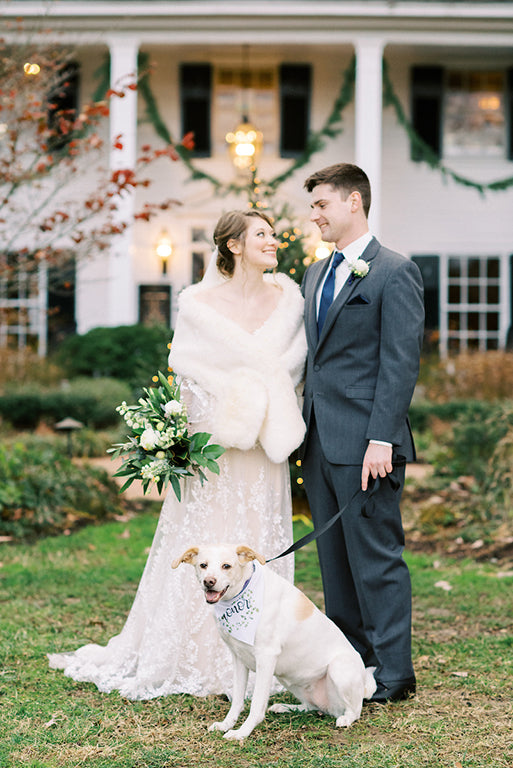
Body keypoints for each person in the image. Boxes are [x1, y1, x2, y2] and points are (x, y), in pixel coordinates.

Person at [48, 209, 307, 698]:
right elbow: (187, 377)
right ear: (233, 245)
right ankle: (199, 656)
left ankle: (261, 654)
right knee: (205, 545)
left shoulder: (290, 301)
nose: (275, 242)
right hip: (216, 454)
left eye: (274, 235)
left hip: (265, 454)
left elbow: (294, 375)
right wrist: (203, 432)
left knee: (257, 545)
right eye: (262, 235)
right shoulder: (200, 305)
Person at [300, 163, 424, 703]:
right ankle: (354, 665)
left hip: (369, 446)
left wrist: (381, 439)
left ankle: (395, 674)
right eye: (313, 206)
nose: (315, 215)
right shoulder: (315, 274)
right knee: (334, 563)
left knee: (376, 559)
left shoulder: (394, 272)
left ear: (354, 202)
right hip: (318, 442)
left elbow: (400, 364)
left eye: (323, 204)